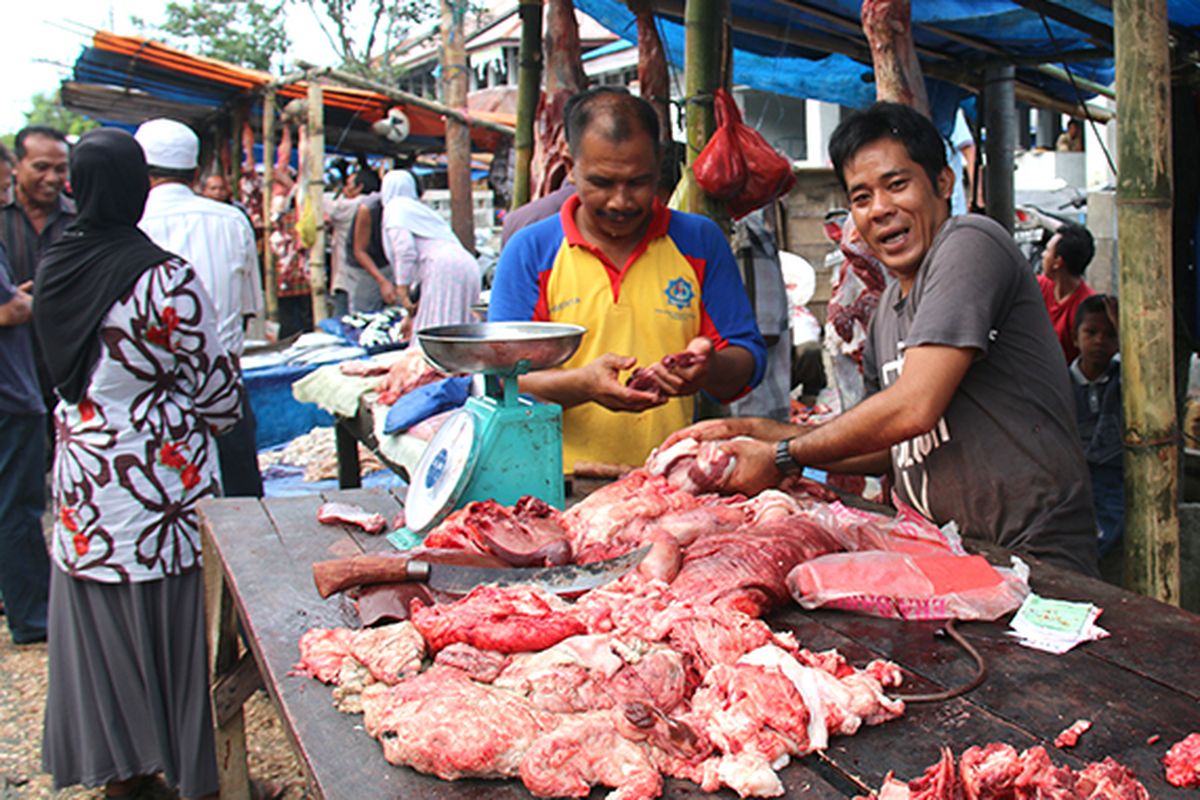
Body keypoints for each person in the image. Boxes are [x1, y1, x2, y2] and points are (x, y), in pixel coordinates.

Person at [665, 101, 1098, 577]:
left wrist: (780, 455)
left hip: (1034, 556)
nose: (881, 210)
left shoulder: (971, 242)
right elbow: (886, 449)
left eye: (897, 185)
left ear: (943, 183)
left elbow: (914, 406)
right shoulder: (887, 311)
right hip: (952, 560)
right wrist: (762, 432)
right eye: (862, 197)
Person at [34, 128, 241, 800]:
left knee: (101, 635)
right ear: (134, 188)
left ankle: (125, 776)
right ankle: (198, 781)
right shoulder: (162, 278)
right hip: (159, 485)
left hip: (83, 483)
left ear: (76, 186)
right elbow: (216, 392)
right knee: (179, 640)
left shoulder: (56, 267)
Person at [490, 87, 765, 470]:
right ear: (570, 165)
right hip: (552, 483)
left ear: (658, 165)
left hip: (669, 482)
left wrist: (708, 368)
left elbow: (748, 360)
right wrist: (583, 385)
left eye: (638, 182)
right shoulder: (530, 252)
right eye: (602, 183)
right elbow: (503, 381)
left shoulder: (699, 242)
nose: (621, 202)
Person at [135, 118, 264, 498]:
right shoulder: (231, 221)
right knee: (242, 500)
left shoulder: (132, 224)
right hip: (223, 381)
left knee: (167, 498)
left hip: (155, 391)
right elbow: (247, 307)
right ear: (195, 173)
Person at [0, 239, 51, 645]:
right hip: (10, 397)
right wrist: (24, 301)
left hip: (17, 390)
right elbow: (11, 309)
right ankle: (31, 612)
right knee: (16, 507)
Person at [381, 170, 480, 331]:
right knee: (459, 327)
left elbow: (405, 250)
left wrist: (402, 289)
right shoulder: (419, 210)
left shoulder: (395, 207)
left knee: (436, 331)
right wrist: (410, 317)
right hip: (465, 264)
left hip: (444, 268)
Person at [1070, 294, 1124, 559]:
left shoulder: (1122, 381)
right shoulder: (1062, 380)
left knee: (1107, 529)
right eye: (1091, 332)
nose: (1100, 341)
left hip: (1111, 478)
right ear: (1075, 336)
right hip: (1071, 475)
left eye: (1110, 334)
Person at [730, 209, 791, 422]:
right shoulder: (745, 233)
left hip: (754, 411)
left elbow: (763, 331)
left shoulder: (747, 234)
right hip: (748, 410)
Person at [1037, 222, 1096, 363]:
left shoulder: (1087, 306)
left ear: (1058, 261)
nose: (1042, 255)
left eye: (1047, 250)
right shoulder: (1037, 286)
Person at [325, 169, 374, 318]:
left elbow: (321, 202)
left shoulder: (357, 205)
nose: (345, 189)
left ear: (359, 187)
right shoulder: (374, 203)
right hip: (368, 277)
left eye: (348, 184)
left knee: (345, 321)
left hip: (349, 276)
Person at [350, 169, 396, 313]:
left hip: (391, 264)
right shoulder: (369, 208)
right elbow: (359, 250)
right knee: (365, 313)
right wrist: (382, 281)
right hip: (365, 268)